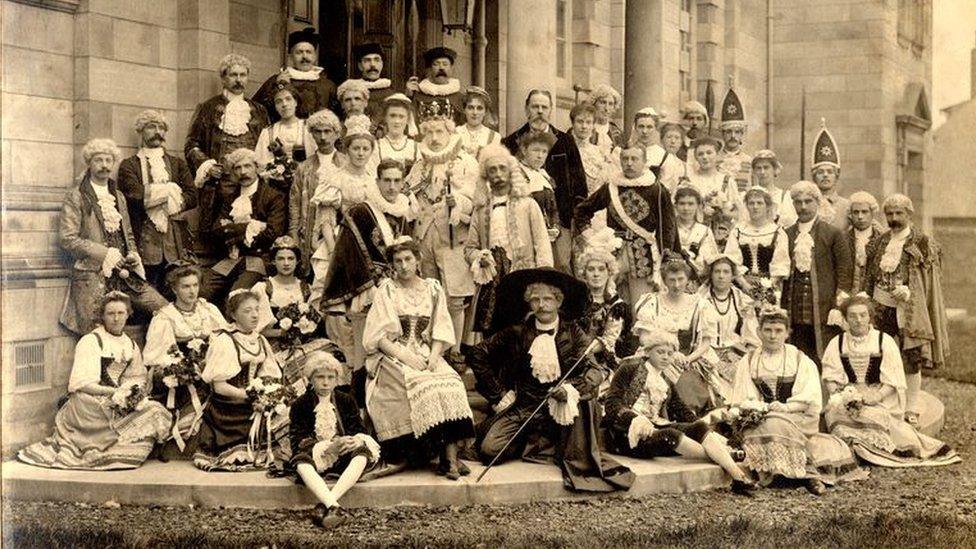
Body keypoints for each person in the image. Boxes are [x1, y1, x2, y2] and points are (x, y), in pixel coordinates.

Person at [470, 267, 634, 492]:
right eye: (535, 299)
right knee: (490, 450)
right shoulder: (518, 332)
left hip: (558, 407)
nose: (542, 305)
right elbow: (478, 353)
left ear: (558, 302)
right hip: (525, 405)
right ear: (529, 303)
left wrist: (570, 389)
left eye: (548, 299)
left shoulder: (573, 332)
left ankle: (544, 444)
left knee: (576, 436)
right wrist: (498, 394)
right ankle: (535, 443)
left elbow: (593, 371)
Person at [361, 237, 475, 478]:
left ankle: (449, 458)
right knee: (421, 384)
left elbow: (442, 328)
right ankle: (437, 457)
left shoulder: (432, 288)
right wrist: (405, 356)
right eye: (398, 261)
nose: (403, 265)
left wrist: (434, 357)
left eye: (408, 259)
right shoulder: (387, 289)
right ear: (392, 264)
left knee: (450, 382)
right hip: (393, 352)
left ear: (418, 260)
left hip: (425, 350)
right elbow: (378, 337)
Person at [18, 293, 172, 470]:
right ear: (103, 316)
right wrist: (114, 393)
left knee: (155, 410)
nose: (116, 318)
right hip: (88, 402)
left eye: (121, 313)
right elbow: (82, 384)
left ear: (128, 314)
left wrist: (130, 391)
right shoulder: (91, 341)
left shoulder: (130, 344)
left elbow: (137, 376)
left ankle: (127, 449)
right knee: (112, 412)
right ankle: (110, 447)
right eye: (110, 313)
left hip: (116, 397)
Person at [603, 324, 756, 495]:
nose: (665, 357)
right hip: (625, 434)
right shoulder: (629, 367)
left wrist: (706, 431)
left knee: (698, 427)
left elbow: (681, 409)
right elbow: (612, 404)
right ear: (648, 351)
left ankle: (738, 477)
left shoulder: (665, 379)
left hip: (655, 426)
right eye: (660, 352)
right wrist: (634, 418)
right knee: (671, 435)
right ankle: (729, 457)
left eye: (669, 353)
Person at [728, 308, 863, 495]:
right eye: (767, 330)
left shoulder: (799, 359)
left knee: (776, 422)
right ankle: (806, 475)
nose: (772, 336)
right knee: (768, 423)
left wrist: (786, 407)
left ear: (787, 333)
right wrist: (758, 409)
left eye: (778, 331)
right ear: (758, 332)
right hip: (760, 419)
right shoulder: (749, 360)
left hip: (797, 417)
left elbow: (810, 398)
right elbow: (744, 398)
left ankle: (797, 473)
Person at [821, 295, 959, 467]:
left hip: (881, 396)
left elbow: (892, 380)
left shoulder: (883, 341)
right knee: (835, 414)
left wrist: (875, 397)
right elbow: (831, 377)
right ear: (845, 318)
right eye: (853, 316)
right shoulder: (838, 343)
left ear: (870, 317)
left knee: (871, 415)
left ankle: (871, 450)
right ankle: (856, 449)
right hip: (847, 396)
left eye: (863, 315)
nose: (858, 320)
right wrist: (841, 396)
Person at [320, 159, 414, 404]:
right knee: (365, 350)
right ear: (377, 181)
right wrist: (373, 283)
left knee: (391, 347)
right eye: (387, 180)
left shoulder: (402, 210)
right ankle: (358, 407)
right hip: (367, 289)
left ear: (403, 183)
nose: (392, 187)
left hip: (395, 290)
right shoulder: (361, 211)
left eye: (397, 181)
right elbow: (347, 252)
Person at [59, 138, 168, 335]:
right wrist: (105, 253)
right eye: (98, 160)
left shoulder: (118, 196)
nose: (104, 165)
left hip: (126, 276)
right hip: (92, 275)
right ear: (89, 163)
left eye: (109, 160)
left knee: (165, 310)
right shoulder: (76, 196)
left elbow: (128, 234)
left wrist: (133, 254)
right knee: (97, 332)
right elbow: (68, 238)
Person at [863, 194, 950, 426]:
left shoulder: (922, 242)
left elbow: (929, 280)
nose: (893, 218)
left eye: (898, 213)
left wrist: (910, 292)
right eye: (889, 214)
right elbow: (870, 273)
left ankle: (911, 408)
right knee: (878, 354)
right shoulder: (880, 242)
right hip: (881, 306)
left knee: (911, 358)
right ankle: (881, 403)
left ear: (909, 214)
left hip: (908, 309)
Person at [405, 110, 479, 365]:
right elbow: (408, 192)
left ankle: (455, 350)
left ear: (450, 132)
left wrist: (457, 201)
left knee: (455, 296)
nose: (435, 138)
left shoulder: (466, 161)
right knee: (428, 292)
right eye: (430, 132)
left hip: (452, 234)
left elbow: (476, 198)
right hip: (424, 233)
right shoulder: (421, 162)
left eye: (440, 132)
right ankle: (430, 347)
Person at [465, 144, 553, 339]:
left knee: (523, 329)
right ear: (486, 175)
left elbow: (542, 242)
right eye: (492, 170)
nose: (498, 174)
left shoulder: (528, 204)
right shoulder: (480, 210)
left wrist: (542, 277)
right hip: (492, 278)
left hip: (522, 274)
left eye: (502, 168)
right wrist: (480, 257)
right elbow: (470, 248)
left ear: (511, 171)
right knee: (493, 332)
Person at [575, 145, 681, 305]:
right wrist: (589, 235)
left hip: (642, 255)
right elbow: (582, 210)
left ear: (644, 161)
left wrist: (665, 255)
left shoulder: (657, 190)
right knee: (606, 300)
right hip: (613, 251)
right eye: (625, 159)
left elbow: (666, 226)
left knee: (641, 306)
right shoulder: (611, 187)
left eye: (634, 159)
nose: (629, 163)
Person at [194, 289, 287, 471]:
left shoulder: (260, 339)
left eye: (256, 310)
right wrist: (249, 396)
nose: (254, 315)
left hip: (254, 398)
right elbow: (219, 387)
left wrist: (269, 396)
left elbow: (269, 375)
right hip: (228, 404)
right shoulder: (224, 341)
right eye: (247, 311)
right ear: (233, 315)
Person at [143, 263, 229, 458]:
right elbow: (158, 357)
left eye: (195, 285)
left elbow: (225, 339)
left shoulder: (209, 310)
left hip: (211, 370)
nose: (192, 291)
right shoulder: (166, 317)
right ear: (174, 289)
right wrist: (185, 368)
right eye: (185, 286)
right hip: (181, 378)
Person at [288, 352, 381, 528]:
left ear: (337, 379)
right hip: (316, 456)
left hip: (343, 455)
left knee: (361, 454)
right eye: (320, 377)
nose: (325, 382)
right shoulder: (301, 404)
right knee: (300, 462)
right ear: (311, 379)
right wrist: (328, 447)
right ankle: (335, 506)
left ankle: (327, 504)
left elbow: (358, 429)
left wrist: (355, 440)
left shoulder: (346, 400)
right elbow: (297, 439)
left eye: (331, 377)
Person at [503, 89, 588, 272]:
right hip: (522, 222)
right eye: (535, 107)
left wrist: (574, 218)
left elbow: (579, 183)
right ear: (527, 110)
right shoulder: (511, 143)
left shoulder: (565, 141)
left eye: (544, 107)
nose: (540, 111)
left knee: (560, 268)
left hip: (560, 222)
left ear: (551, 110)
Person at [633, 253, 725, 416]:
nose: (676, 285)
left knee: (689, 387)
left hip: (688, 361)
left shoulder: (700, 305)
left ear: (688, 279)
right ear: (664, 280)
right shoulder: (652, 302)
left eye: (681, 279)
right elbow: (645, 338)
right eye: (671, 280)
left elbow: (706, 342)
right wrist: (670, 355)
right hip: (654, 359)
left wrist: (688, 359)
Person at [117, 110, 197, 288]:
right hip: (144, 239)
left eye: (161, 127)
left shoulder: (178, 164)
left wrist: (157, 195)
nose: (157, 131)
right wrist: (170, 190)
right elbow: (134, 195)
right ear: (140, 131)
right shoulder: (129, 165)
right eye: (151, 127)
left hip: (175, 240)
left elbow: (192, 195)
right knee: (147, 289)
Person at [199, 148, 287, 307]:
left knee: (236, 296)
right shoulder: (230, 198)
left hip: (258, 259)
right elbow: (217, 230)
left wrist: (232, 229)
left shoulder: (273, 196)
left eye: (247, 166)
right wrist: (251, 227)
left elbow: (272, 233)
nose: (243, 172)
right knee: (202, 292)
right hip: (231, 258)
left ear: (257, 167)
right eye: (237, 168)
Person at [781, 181, 853, 365]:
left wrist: (839, 306)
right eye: (798, 202)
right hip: (794, 310)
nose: (803, 206)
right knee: (796, 358)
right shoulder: (785, 234)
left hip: (824, 309)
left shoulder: (833, 233)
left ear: (818, 202)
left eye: (808, 201)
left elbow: (845, 271)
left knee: (826, 358)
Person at [306, 114, 377, 285]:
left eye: (365, 149)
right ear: (347, 149)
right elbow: (326, 220)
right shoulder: (335, 177)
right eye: (356, 148)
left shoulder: (374, 178)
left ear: (371, 151)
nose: (360, 154)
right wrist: (333, 251)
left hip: (372, 240)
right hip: (342, 239)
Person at [252, 236, 330, 386]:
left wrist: (304, 328)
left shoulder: (306, 288)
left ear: (297, 261)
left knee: (328, 358)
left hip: (304, 343)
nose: (286, 263)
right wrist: (284, 333)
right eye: (281, 259)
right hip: (275, 345)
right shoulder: (264, 288)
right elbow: (257, 330)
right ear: (273, 261)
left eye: (290, 258)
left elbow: (317, 322)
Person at [185, 54, 269, 189]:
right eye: (233, 75)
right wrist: (208, 166)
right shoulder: (208, 108)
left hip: (251, 182)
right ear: (223, 79)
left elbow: (266, 145)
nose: (238, 80)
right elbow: (191, 144)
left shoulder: (259, 110)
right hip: (220, 184)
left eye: (243, 75)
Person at [289, 109, 347, 276]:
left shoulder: (345, 163)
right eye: (318, 132)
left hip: (339, 229)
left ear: (336, 134)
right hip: (310, 230)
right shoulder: (304, 167)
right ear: (312, 135)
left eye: (327, 131)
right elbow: (295, 202)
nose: (323, 137)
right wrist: (294, 234)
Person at [575, 227, 636, 381]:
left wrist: (582, 353)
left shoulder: (617, 306)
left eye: (601, 269)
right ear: (584, 273)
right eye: (591, 269)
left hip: (601, 360)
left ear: (609, 272)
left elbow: (608, 340)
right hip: (572, 357)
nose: (596, 274)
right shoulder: (576, 300)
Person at [723, 186, 791, 308]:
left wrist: (765, 288)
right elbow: (732, 261)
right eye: (751, 203)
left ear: (768, 206)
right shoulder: (738, 231)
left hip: (769, 288)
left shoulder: (778, 232)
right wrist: (745, 285)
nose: (755, 207)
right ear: (746, 206)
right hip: (741, 287)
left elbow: (780, 265)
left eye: (760, 203)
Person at [698, 255, 760, 385]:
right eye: (717, 271)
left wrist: (749, 356)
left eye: (726, 272)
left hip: (734, 351)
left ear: (732, 276)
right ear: (711, 275)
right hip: (706, 352)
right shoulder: (700, 299)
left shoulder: (741, 300)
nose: (721, 276)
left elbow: (751, 335)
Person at [253, 27, 338, 122]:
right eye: (299, 52)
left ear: (315, 56)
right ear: (291, 57)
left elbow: (337, 117)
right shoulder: (276, 80)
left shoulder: (328, 85)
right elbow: (258, 110)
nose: (304, 56)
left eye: (308, 52)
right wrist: (278, 86)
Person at [253, 85, 316, 172]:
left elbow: (317, 159)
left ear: (296, 102)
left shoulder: (308, 128)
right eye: (279, 102)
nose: (284, 104)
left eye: (288, 99)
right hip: (276, 181)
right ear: (275, 107)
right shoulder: (268, 132)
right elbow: (261, 163)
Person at [684, 135, 741, 230]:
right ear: (696, 158)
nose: (705, 157)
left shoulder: (726, 180)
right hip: (693, 230)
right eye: (700, 154)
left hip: (720, 231)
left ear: (717, 155)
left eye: (709, 153)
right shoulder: (689, 181)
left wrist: (722, 211)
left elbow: (738, 212)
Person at [624, 108, 684, 195]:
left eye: (649, 127)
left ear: (656, 128)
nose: (645, 131)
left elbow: (666, 189)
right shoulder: (625, 151)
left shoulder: (664, 156)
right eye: (641, 126)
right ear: (635, 128)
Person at [517, 131, 561, 243]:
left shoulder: (543, 175)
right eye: (535, 150)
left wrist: (555, 227)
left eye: (544, 151)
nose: (540, 156)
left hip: (546, 239)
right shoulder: (516, 173)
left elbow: (553, 210)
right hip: (523, 237)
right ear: (524, 150)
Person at [406, 46, 466, 127]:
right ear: (430, 69)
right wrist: (408, 97)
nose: (441, 68)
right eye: (436, 64)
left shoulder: (460, 98)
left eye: (445, 64)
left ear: (452, 68)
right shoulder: (417, 96)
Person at [673, 186, 720, 282]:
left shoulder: (704, 231)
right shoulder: (668, 228)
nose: (686, 208)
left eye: (691, 204)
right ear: (675, 205)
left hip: (697, 280)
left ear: (698, 206)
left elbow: (710, 261)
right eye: (682, 203)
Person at [810, 119, 850, 230]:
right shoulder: (808, 203)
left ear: (836, 176)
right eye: (820, 172)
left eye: (830, 172)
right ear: (814, 176)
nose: (825, 175)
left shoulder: (847, 206)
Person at [348, 43, 397, 129]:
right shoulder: (350, 93)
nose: (372, 64)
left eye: (377, 60)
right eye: (367, 60)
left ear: (382, 64)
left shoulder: (392, 95)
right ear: (360, 66)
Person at [368, 94, 419, 174]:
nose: (397, 121)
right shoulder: (376, 147)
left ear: (407, 119)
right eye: (392, 116)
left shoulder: (416, 147)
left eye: (401, 117)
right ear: (385, 118)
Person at [846, 191, 884, 293]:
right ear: (850, 214)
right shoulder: (842, 239)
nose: (860, 216)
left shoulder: (882, 240)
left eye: (864, 211)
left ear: (872, 213)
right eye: (856, 212)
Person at [717, 85, 752, 192]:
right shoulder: (714, 159)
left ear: (742, 134)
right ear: (722, 134)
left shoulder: (749, 161)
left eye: (737, 132)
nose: (733, 136)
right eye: (728, 132)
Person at [749, 149, 796, 227]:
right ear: (754, 172)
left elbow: (791, 224)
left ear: (775, 170)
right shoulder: (748, 196)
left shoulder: (785, 197)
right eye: (758, 168)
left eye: (766, 167)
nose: (762, 172)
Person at [456, 86, 502, 158]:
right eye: (470, 107)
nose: (475, 112)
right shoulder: (455, 133)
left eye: (479, 108)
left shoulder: (494, 137)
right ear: (464, 110)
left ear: (485, 112)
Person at [588, 84, 624, 154]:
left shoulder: (617, 132)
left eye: (610, 104)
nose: (606, 108)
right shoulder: (584, 128)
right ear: (594, 104)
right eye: (603, 102)